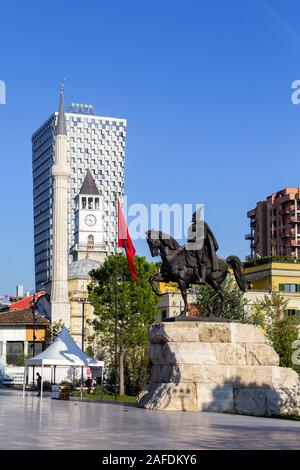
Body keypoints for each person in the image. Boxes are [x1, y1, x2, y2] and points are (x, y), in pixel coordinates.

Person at [186, 210, 220, 283]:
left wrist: (194, 239)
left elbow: (203, 236)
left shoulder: (202, 225)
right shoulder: (191, 226)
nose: (193, 218)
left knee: (201, 261)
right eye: (193, 216)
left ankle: (202, 278)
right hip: (191, 244)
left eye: (194, 216)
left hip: (200, 245)